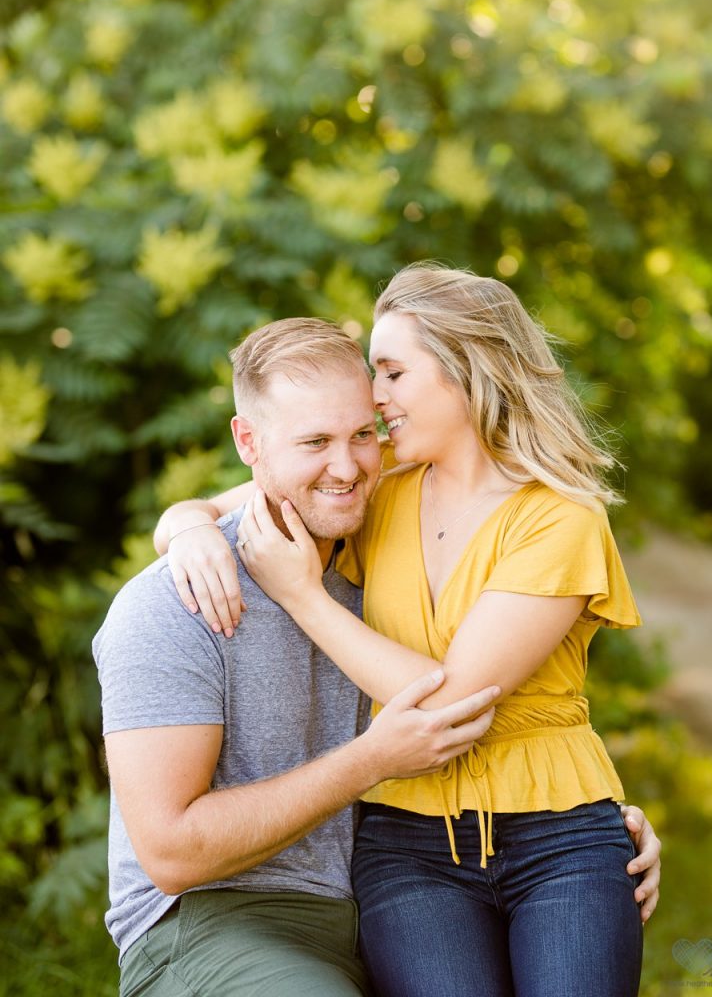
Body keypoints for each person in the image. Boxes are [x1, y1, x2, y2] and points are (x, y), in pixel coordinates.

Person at [158, 264, 661, 997]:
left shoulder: (560, 516)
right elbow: (226, 502)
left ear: (467, 369)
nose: (375, 395)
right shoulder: (376, 483)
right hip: (406, 840)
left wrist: (304, 597)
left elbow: (451, 705)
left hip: (560, 837)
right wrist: (186, 530)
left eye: (392, 371)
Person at [93, 316, 506, 997]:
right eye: (314, 442)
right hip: (213, 922)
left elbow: (494, 692)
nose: (346, 468)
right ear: (248, 441)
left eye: (361, 436)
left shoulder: (392, 565)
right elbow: (170, 852)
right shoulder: (175, 602)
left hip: (393, 902)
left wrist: (585, 825)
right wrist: (372, 758)